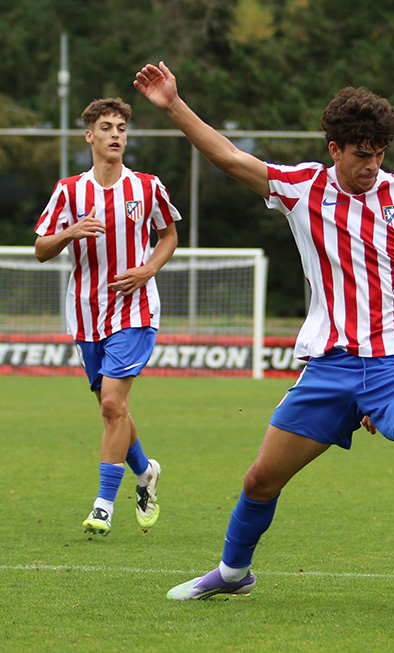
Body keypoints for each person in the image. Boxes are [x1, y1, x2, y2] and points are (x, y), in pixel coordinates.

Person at [134, 62, 394, 601]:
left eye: (380, 153)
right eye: (362, 154)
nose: (372, 164)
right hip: (329, 365)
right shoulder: (302, 187)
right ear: (334, 148)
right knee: (260, 480)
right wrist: (173, 105)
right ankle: (233, 573)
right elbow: (228, 156)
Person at [34, 97, 180, 536]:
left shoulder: (148, 187)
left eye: (121, 127)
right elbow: (41, 249)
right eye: (107, 127)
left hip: (135, 310)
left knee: (115, 404)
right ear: (89, 136)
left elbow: (169, 233)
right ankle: (146, 471)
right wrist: (70, 231)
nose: (116, 134)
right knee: (110, 408)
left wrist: (149, 269)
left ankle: (103, 505)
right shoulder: (69, 190)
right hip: (85, 313)